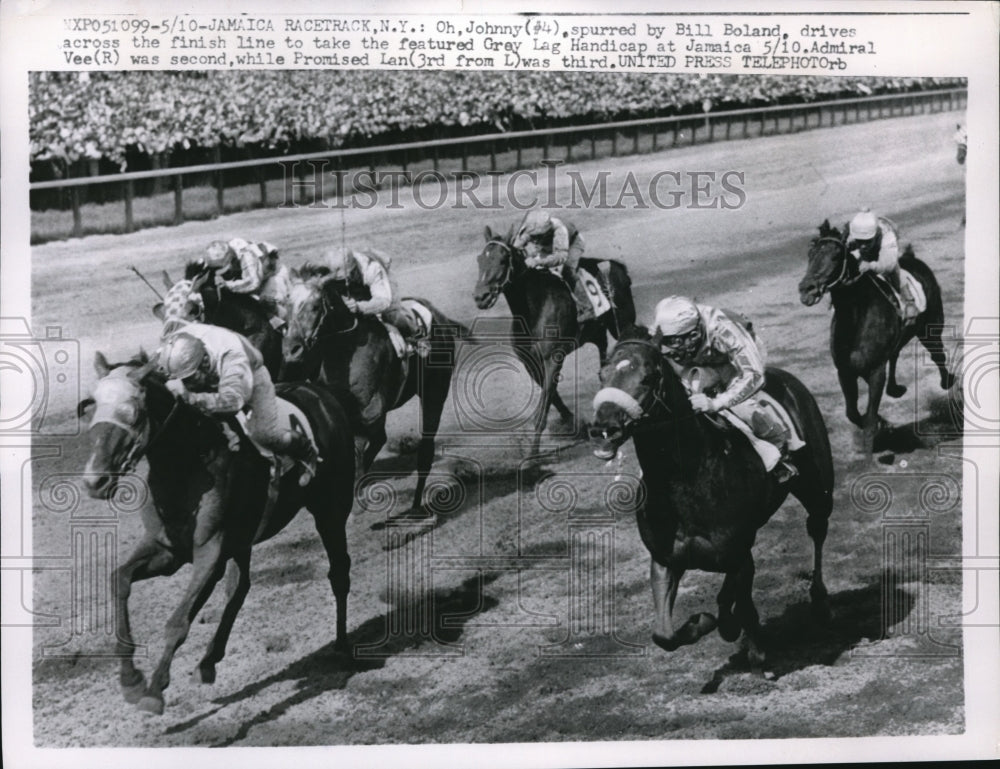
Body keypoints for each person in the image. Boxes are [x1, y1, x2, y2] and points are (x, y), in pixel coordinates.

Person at [649, 295, 798, 483]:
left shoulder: (724, 329)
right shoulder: (666, 326)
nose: (666, 349)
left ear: (694, 335)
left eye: (673, 342)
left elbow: (754, 375)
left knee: (741, 407)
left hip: (734, 363)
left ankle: (779, 449)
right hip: (701, 359)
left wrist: (716, 403)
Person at [159, 323, 317, 486]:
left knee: (263, 434)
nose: (185, 383)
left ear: (205, 361)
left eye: (189, 378)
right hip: (215, 376)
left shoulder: (233, 358)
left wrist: (190, 397)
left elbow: (232, 402)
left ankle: (306, 450)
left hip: (251, 379)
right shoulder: (180, 342)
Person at [324, 246, 429, 357]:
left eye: (345, 278)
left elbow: (383, 301)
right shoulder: (330, 270)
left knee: (390, 315)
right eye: (339, 280)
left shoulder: (372, 269)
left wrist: (360, 307)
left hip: (383, 288)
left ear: (352, 268)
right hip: (359, 286)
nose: (343, 281)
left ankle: (417, 335)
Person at [511, 209, 594, 321]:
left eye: (538, 236)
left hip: (572, 244)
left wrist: (537, 261)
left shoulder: (560, 230)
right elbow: (516, 246)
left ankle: (588, 307)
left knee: (567, 270)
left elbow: (560, 257)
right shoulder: (529, 228)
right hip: (547, 247)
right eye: (533, 236)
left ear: (547, 231)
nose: (534, 239)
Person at [846, 209, 918, 321]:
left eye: (867, 241)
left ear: (875, 234)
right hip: (867, 254)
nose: (863, 246)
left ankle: (909, 300)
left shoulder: (887, 235)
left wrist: (871, 266)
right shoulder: (853, 231)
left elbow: (889, 263)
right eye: (860, 241)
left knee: (895, 269)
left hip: (886, 255)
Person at [204, 238, 291, 328]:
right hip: (250, 278)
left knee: (267, 302)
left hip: (271, 276)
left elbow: (253, 283)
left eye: (221, 267)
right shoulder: (215, 256)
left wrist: (227, 284)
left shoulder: (247, 255)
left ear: (230, 257)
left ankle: (288, 328)